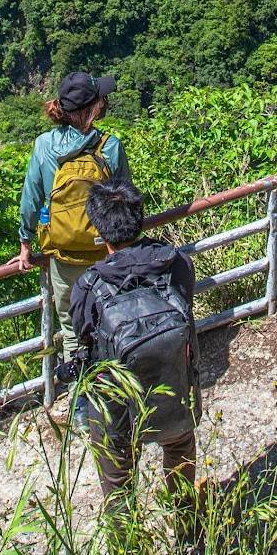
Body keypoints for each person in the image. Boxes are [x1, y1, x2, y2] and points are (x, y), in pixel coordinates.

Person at [68, 176, 199, 517]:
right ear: (139, 217)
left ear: (98, 226)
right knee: (180, 447)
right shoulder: (176, 263)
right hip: (174, 383)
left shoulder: (89, 285)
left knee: (117, 477)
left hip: (117, 403)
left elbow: (84, 336)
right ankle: (188, 526)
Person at [16, 71, 130, 420]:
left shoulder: (43, 146)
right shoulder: (109, 146)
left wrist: (25, 242)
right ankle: (116, 396)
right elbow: (126, 200)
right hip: (104, 255)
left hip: (62, 257)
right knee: (111, 320)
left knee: (71, 329)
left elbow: (30, 199)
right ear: (91, 109)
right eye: (101, 98)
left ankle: (83, 409)